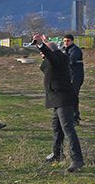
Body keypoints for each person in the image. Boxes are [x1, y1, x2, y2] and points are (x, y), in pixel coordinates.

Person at [33, 34, 84, 172]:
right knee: (57, 127)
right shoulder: (58, 57)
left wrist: (41, 45)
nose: (41, 55)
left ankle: (77, 160)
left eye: (42, 53)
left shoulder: (57, 58)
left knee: (68, 129)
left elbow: (51, 55)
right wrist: (46, 43)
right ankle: (57, 154)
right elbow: (52, 53)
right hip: (56, 99)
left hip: (63, 98)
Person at [61, 34, 84, 124]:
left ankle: (75, 117)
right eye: (64, 41)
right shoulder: (65, 49)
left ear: (72, 41)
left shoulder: (75, 50)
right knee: (69, 96)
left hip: (76, 77)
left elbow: (70, 60)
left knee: (73, 96)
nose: (66, 43)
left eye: (68, 41)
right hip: (69, 76)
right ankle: (72, 115)